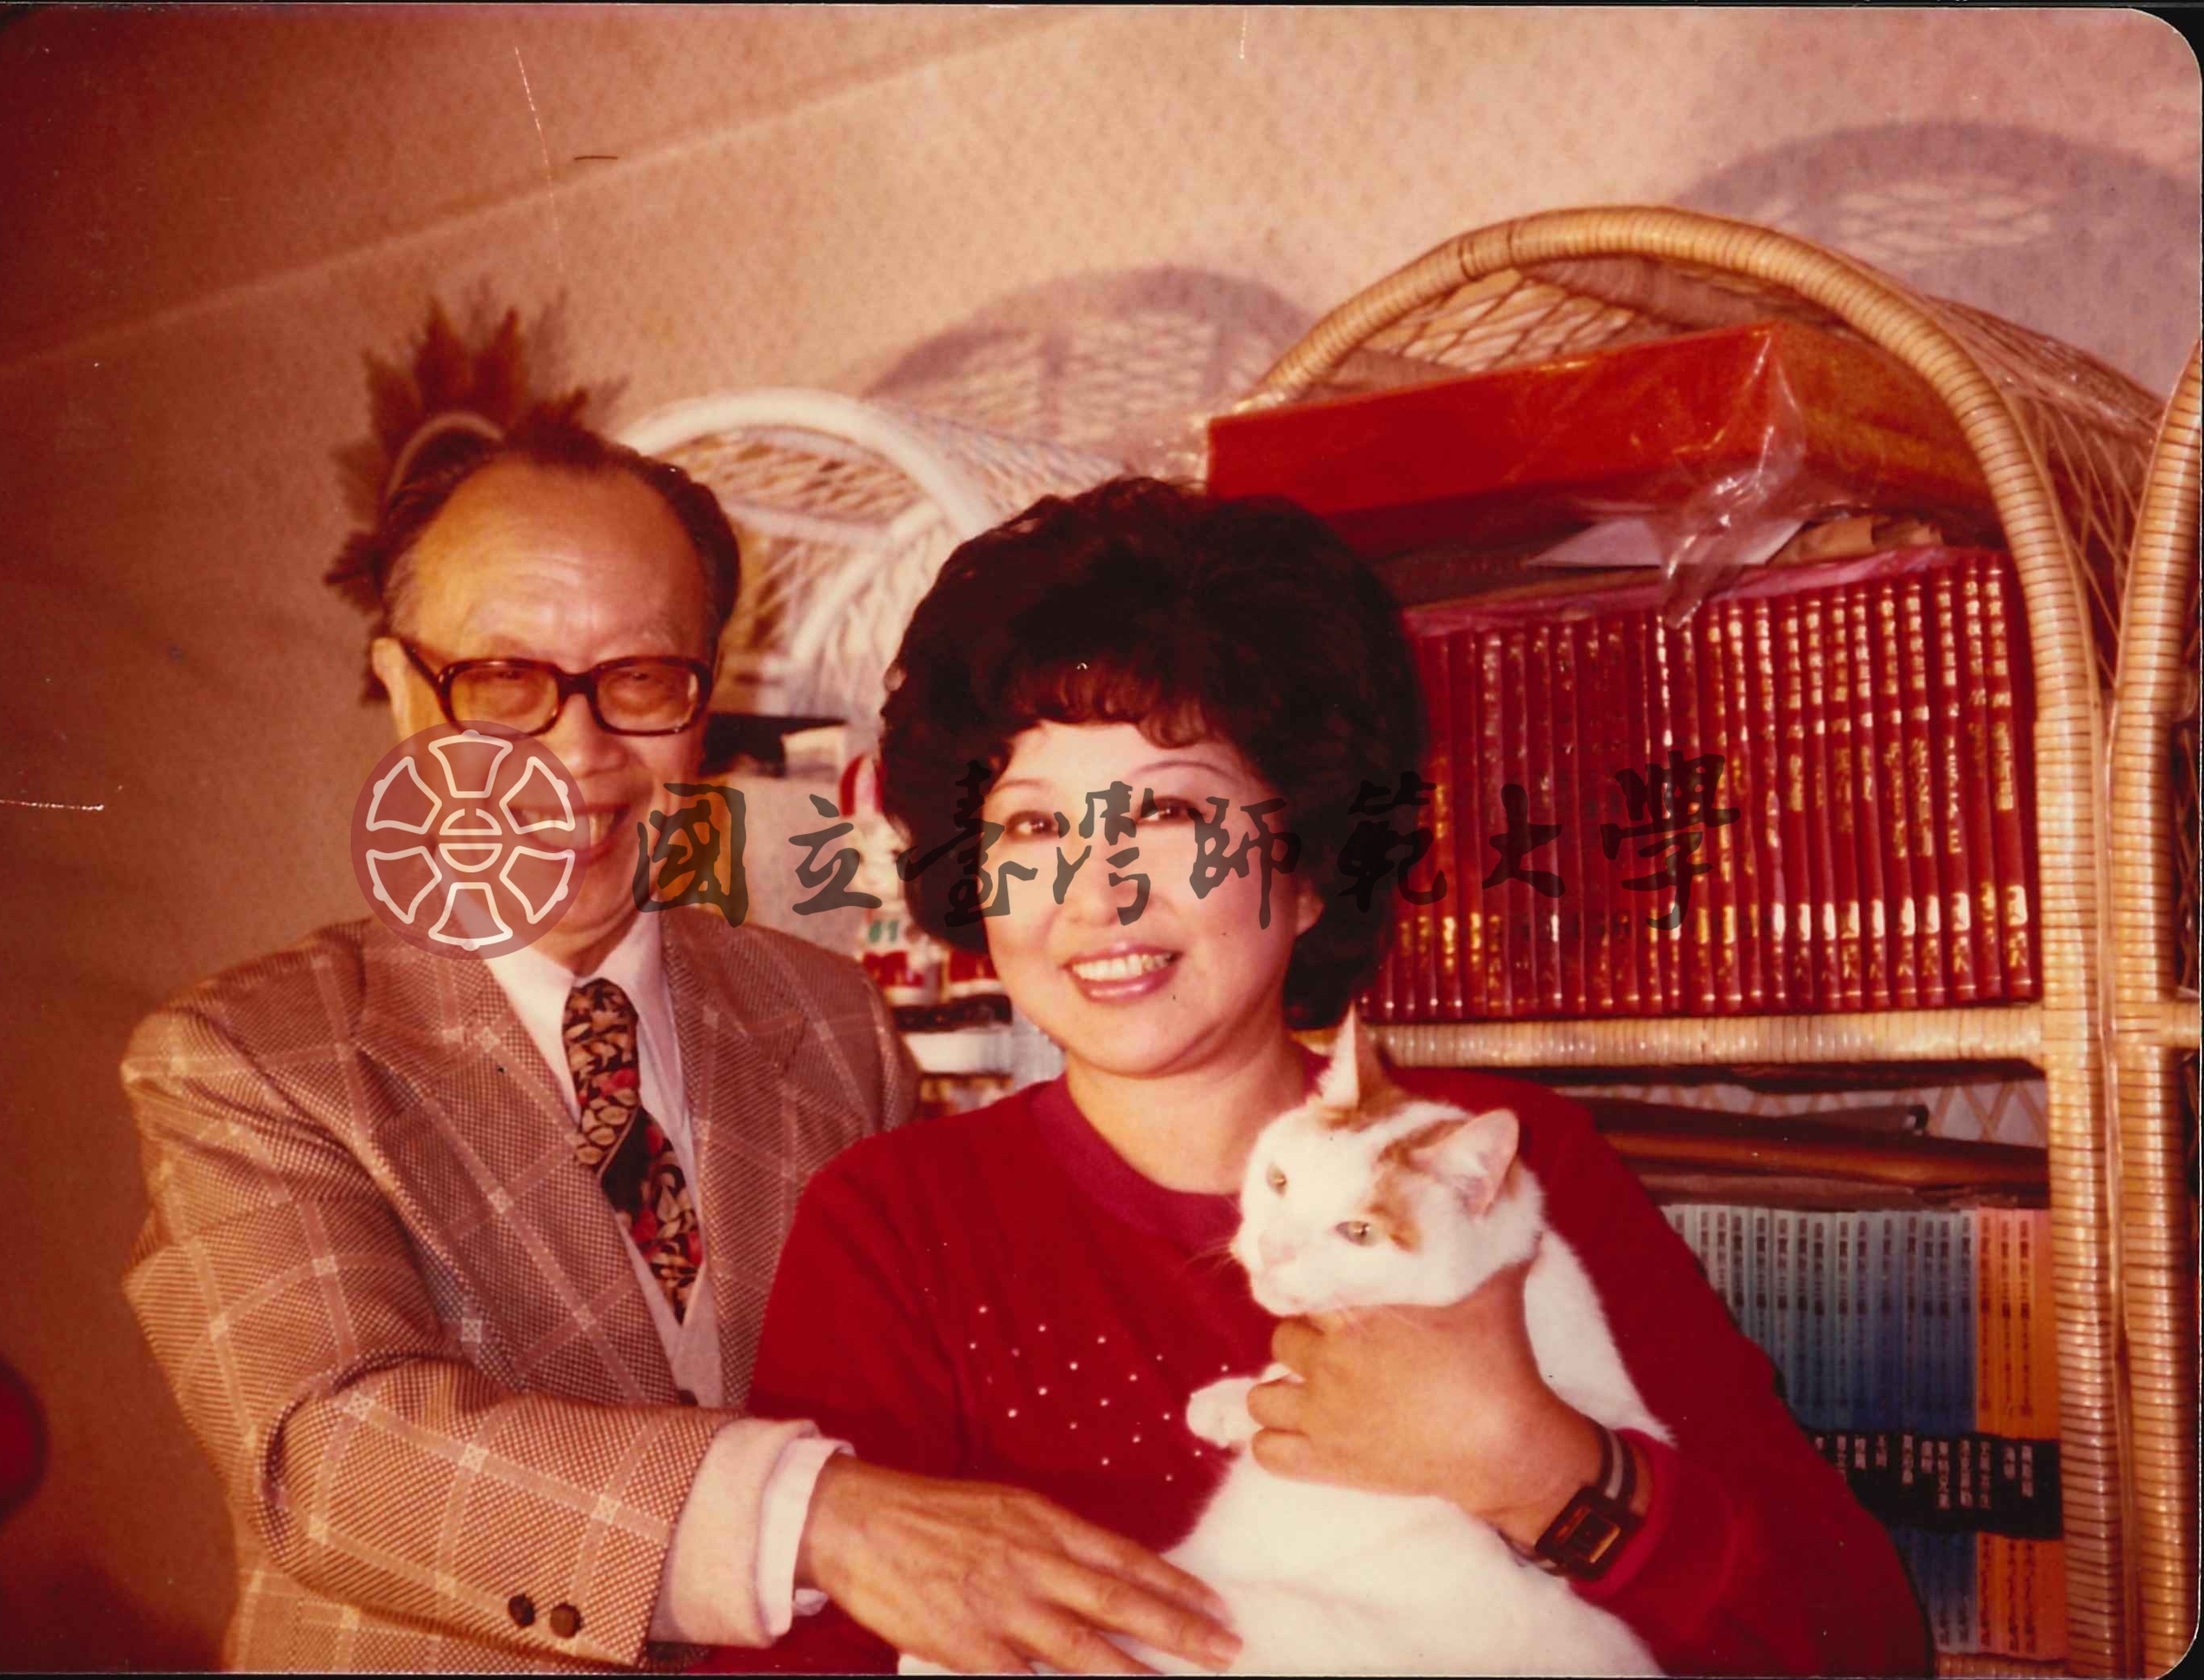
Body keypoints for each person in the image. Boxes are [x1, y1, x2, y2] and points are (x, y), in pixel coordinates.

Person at [724, 477, 1933, 1675]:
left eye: (1174, 816)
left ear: (1308, 869)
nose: (1100, 892)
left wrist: (1543, 1469)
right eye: (1036, 827)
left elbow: (1861, 1647)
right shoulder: (896, 1220)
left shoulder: (1499, 1161)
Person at [120, 403, 1238, 1672]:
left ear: (707, 698)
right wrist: (812, 1519)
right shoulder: (251, 1056)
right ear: (404, 692)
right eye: (503, 680)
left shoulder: (830, 1020)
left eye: (641, 679)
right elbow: (328, 1455)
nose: (577, 751)